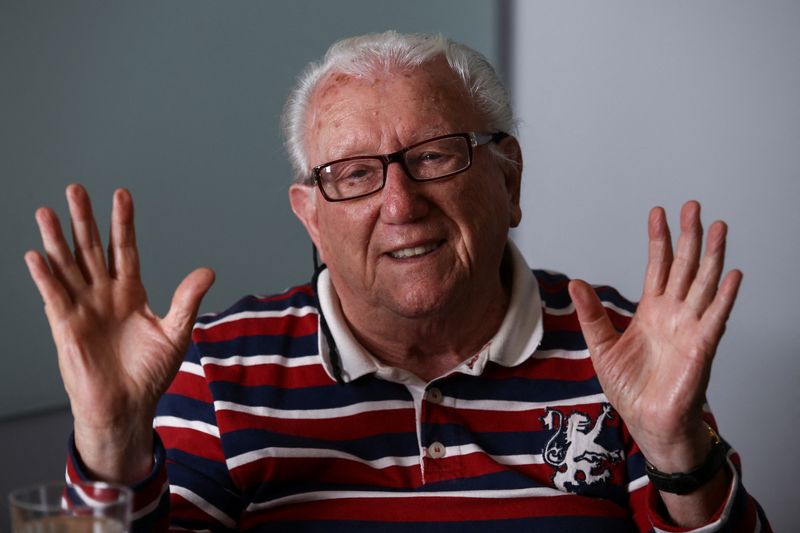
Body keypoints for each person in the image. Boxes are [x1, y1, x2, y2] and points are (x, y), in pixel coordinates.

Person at [26, 31, 770, 532]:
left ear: (509, 179)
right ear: (311, 218)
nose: (400, 204)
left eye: (437, 156)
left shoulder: (622, 348)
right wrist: (109, 444)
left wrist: (678, 447)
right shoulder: (217, 368)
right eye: (352, 175)